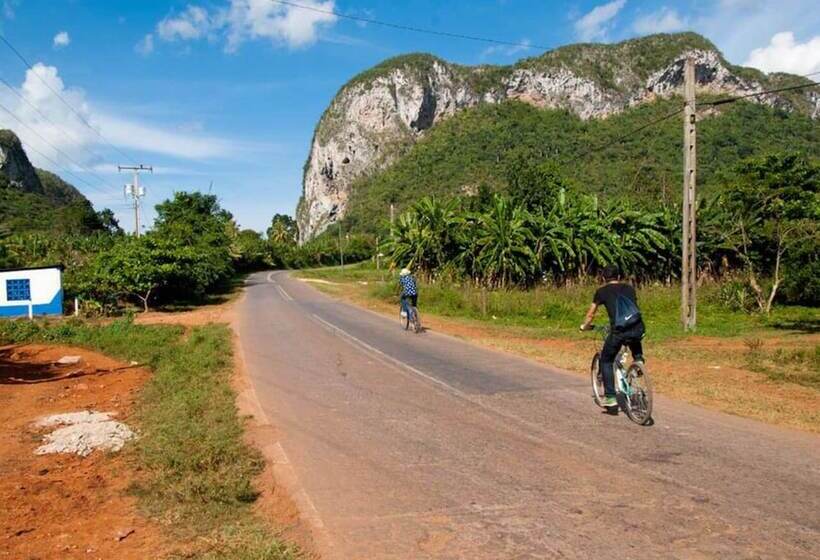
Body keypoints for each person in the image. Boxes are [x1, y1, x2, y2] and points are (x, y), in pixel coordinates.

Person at [580, 265, 645, 410]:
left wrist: (585, 326)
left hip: (619, 331)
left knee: (606, 360)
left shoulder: (601, 292)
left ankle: (610, 397)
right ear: (619, 277)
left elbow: (591, 313)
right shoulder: (629, 288)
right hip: (637, 327)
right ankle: (639, 360)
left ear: (603, 278)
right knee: (634, 337)